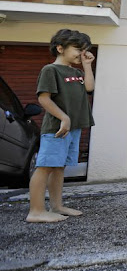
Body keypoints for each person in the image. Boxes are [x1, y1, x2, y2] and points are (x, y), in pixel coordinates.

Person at [26, 29, 95, 223]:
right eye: (78, 49)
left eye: (84, 50)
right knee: (45, 167)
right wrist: (64, 117)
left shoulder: (76, 72)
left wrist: (87, 65)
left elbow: (89, 88)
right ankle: (36, 211)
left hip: (73, 127)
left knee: (59, 167)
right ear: (60, 48)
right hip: (57, 128)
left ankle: (56, 205)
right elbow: (44, 98)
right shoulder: (50, 70)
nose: (81, 54)